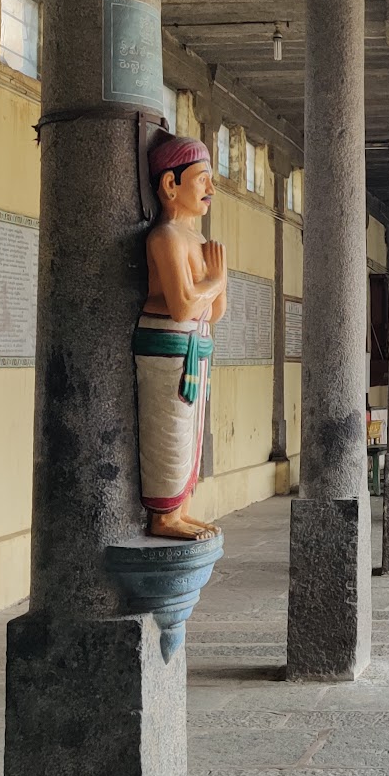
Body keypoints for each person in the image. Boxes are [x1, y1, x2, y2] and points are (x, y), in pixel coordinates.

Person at [133, 132, 228, 540]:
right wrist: (216, 280)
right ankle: (164, 516)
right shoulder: (165, 237)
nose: (211, 187)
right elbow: (183, 305)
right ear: (171, 185)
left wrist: (219, 284)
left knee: (193, 436)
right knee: (169, 433)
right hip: (167, 348)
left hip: (197, 347)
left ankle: (183, 509)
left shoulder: (198, 240)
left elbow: (214, 312)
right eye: (202, 177)